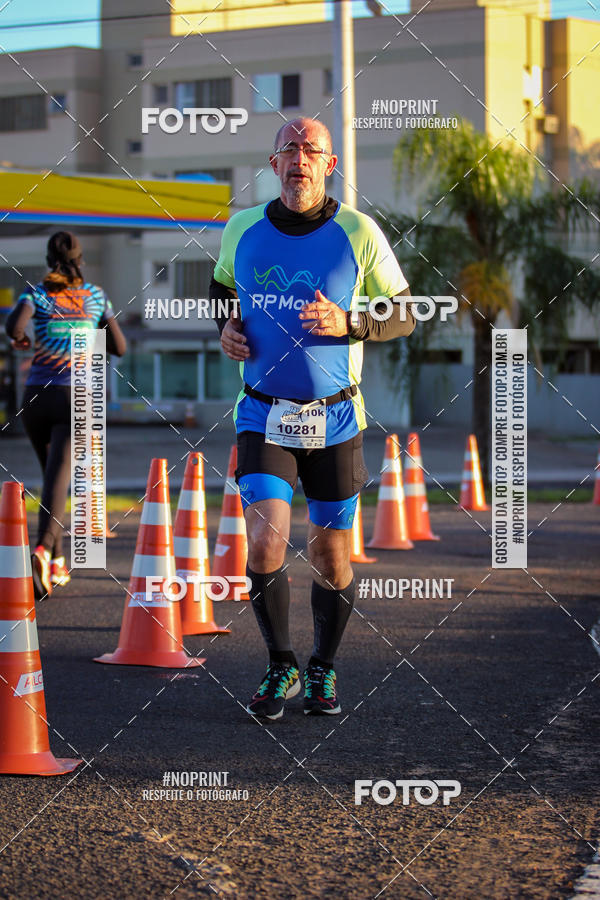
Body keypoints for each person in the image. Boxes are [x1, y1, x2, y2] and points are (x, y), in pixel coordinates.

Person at [212, 117, 415, 720]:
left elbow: (405, 314)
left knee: (331, 557)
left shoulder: (359, 230)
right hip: (262, 412)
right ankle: (281, 664)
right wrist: (223, 327)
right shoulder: (242, 229)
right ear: (273, 164)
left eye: (312, 150)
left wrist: (353, 324)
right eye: (289, 149)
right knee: (265, 539)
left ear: (330, 164)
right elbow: (223, 289)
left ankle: (323, 667)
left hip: (335, 417)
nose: (299, 158)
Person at [5, 231, 127, 600]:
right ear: (80, 259)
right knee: (60, 478)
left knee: (52, 476)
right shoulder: (95, 296)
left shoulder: (36, 293)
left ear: (48, 260)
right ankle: (43, 547)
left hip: (36, 399)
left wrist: (25, 340)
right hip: (77, 396)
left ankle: (55, 561)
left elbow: (13, 327)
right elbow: (119, 347)